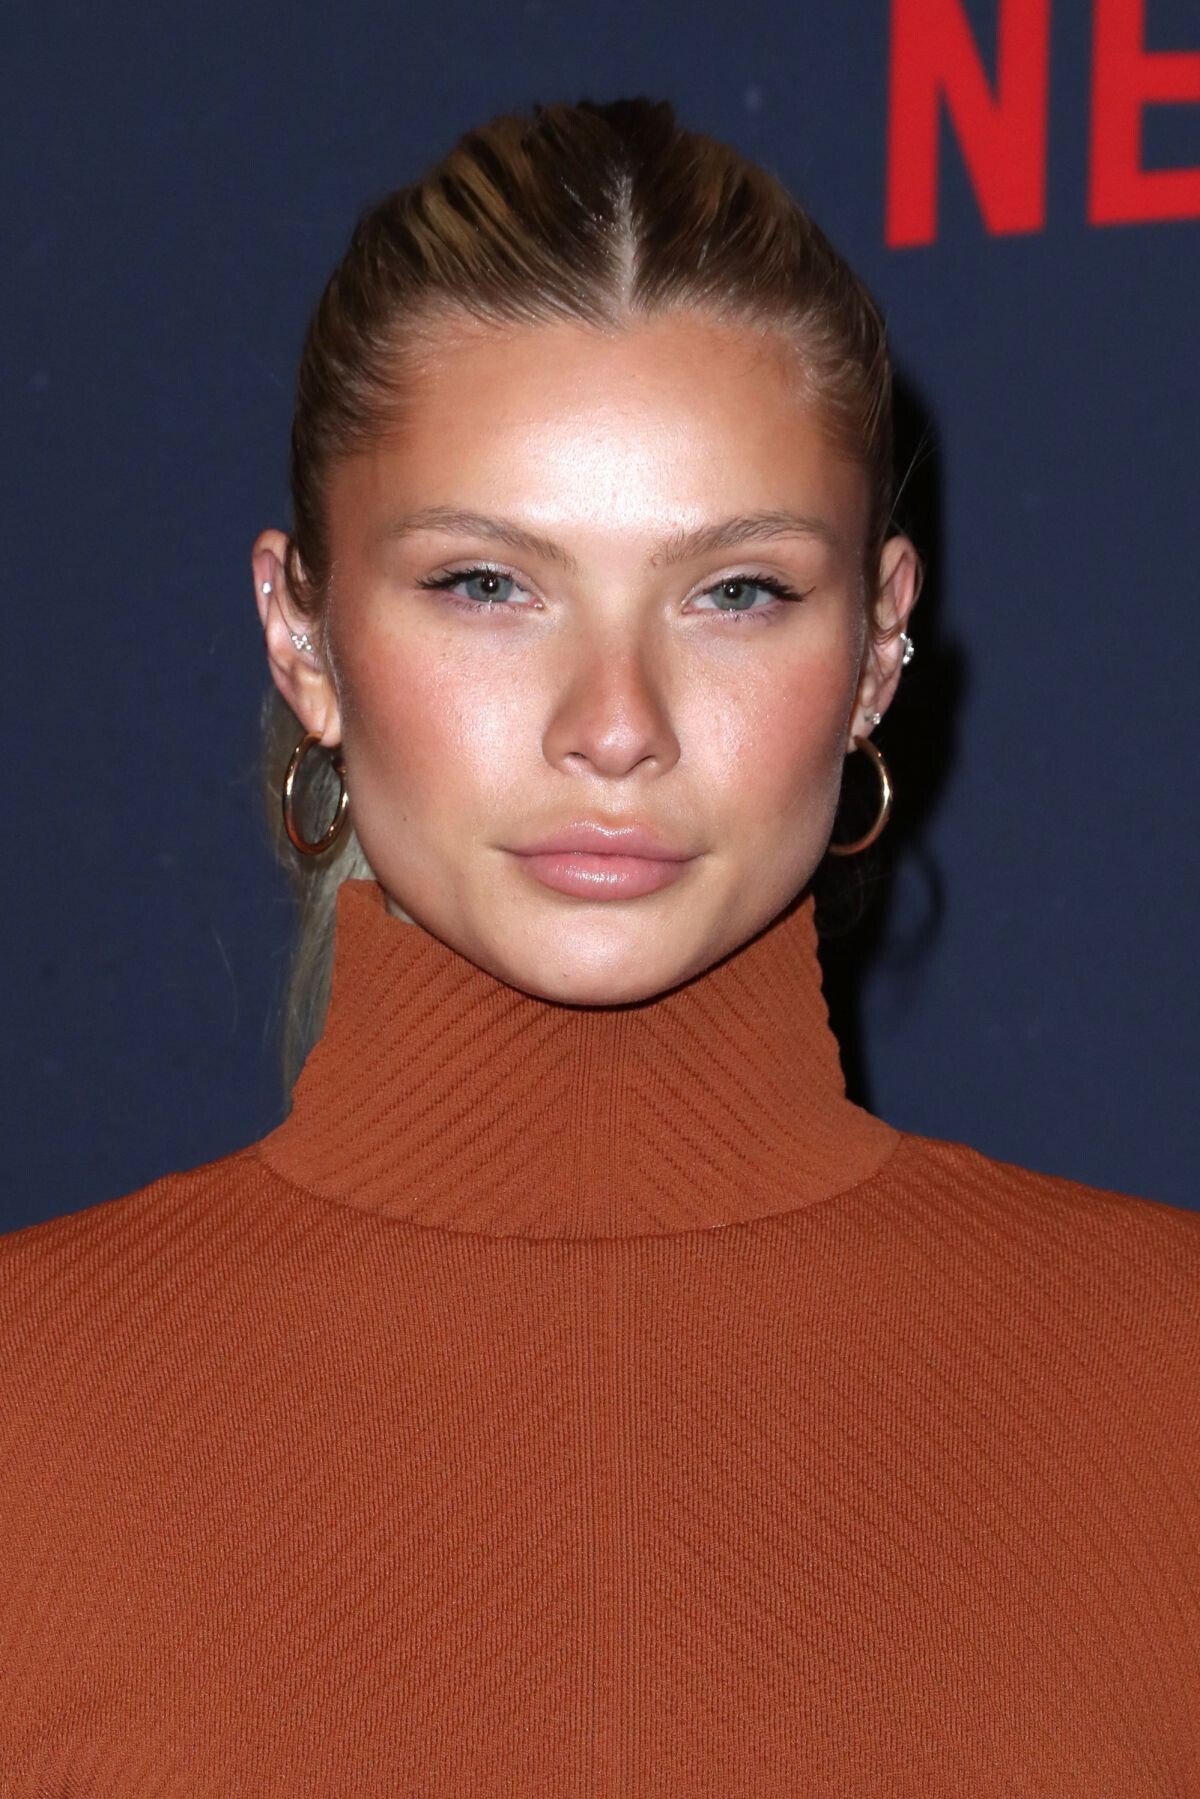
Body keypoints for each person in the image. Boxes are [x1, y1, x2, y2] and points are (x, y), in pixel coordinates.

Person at [1, 96, 1196, 1794]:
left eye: (737, 592)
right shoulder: (31, 1412)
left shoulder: (1165, 1386)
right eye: (487, 584)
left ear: (878, 650)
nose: (616, 725)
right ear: (303, 633)